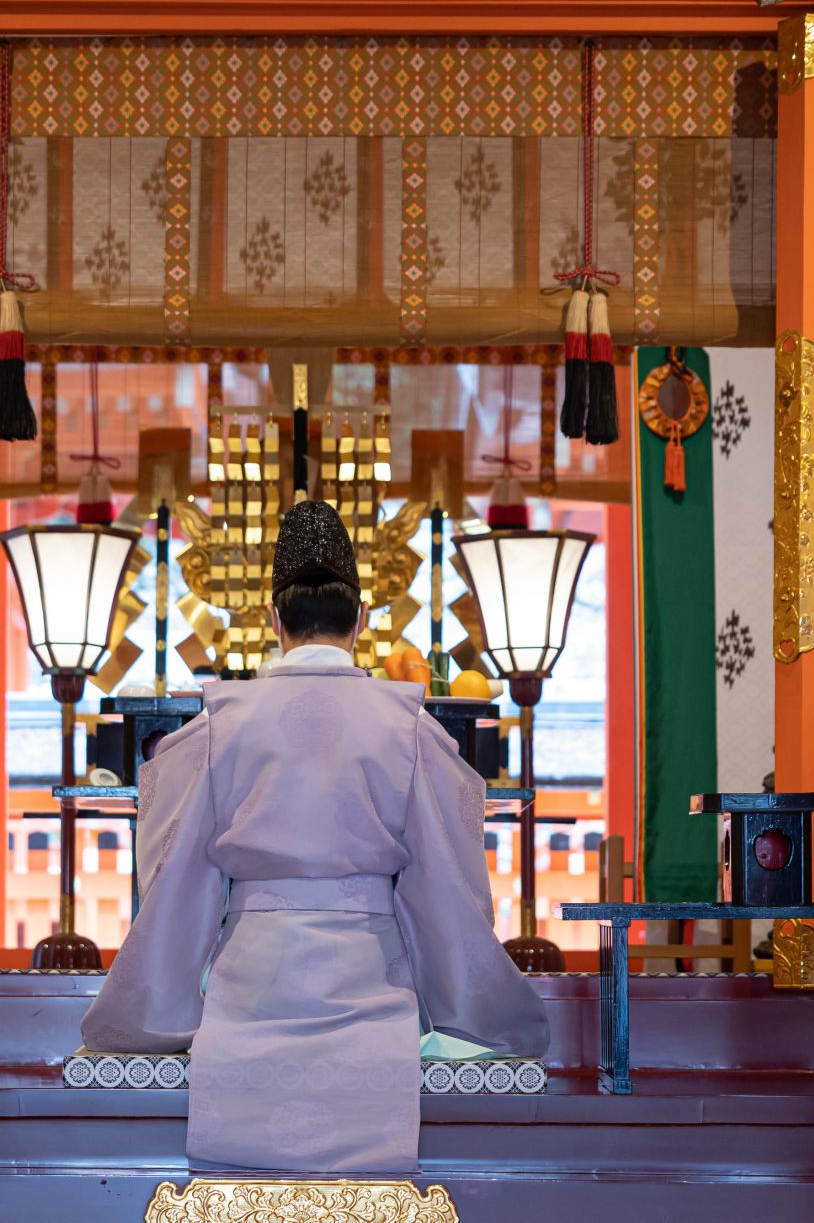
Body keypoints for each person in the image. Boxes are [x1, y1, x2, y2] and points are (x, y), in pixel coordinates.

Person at [81, 499, 550, 1173]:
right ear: (361, 620)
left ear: (275, 620)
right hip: (373, 991)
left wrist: (161, 998)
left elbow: (173, 875)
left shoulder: (216, 728)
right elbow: (446, 885)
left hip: (248, 993)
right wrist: (471, 1004)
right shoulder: (411, 730)